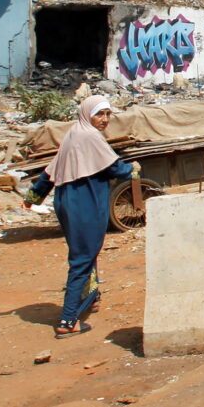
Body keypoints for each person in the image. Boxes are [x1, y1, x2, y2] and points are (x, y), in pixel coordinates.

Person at [24, 96, 138, 338]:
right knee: (82, 258)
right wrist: (133, 169)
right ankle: (68, 320)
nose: (105, 120)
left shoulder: (75, 133)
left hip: (67, 200)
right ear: (88, 114)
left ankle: (91, 296)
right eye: (100, 114)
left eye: (108, 114)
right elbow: (115, 168)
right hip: (84, 202)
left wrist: (32, 198)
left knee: (86, 252)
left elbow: (50, 171)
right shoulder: (90, 136)